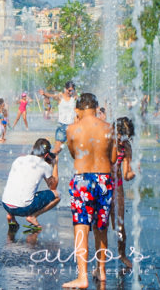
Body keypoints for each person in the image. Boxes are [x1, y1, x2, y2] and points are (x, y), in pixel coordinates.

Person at [63, 93, 116, 289]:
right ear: (96, 108)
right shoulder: (109, 128)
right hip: (104, 179)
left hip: (83, 180)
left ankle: (82, 277)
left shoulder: (72, 129)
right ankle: (101, 271)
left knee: (81, 227)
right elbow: (112, 157)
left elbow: (74, 153)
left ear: (78, 110)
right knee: (101, 228)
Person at [1, 138, 60, 232]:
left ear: (33, 148)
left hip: (6, 204)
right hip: (23, 208)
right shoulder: (44, 165)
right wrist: (55, 164)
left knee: (18, 187)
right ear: (46, 155)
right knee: (57, 195)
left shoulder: (18, 159)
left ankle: (11, 216)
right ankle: (33, 216)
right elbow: (53, 187)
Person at [111, 117, 136, 269]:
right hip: (102, 184)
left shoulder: (126, 147)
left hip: (117, 186)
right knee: (101, 225)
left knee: (120, 225)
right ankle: (99, 262)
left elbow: (126, 175)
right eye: (119, 136)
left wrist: (133, 173)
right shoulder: (107, 142)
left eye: (125, 137)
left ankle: (122, 254)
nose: (121, 140)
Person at [39, 81, 77, 154]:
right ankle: (46, 159)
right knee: (57, 149)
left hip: (72, 127)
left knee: (76, 150)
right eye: (69, 90)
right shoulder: (60, 97)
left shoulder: (74, 98)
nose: (71, 92)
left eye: (72, 90)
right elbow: (51, 96)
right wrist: (44, 94)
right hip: (62, 126)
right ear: (65, 89)